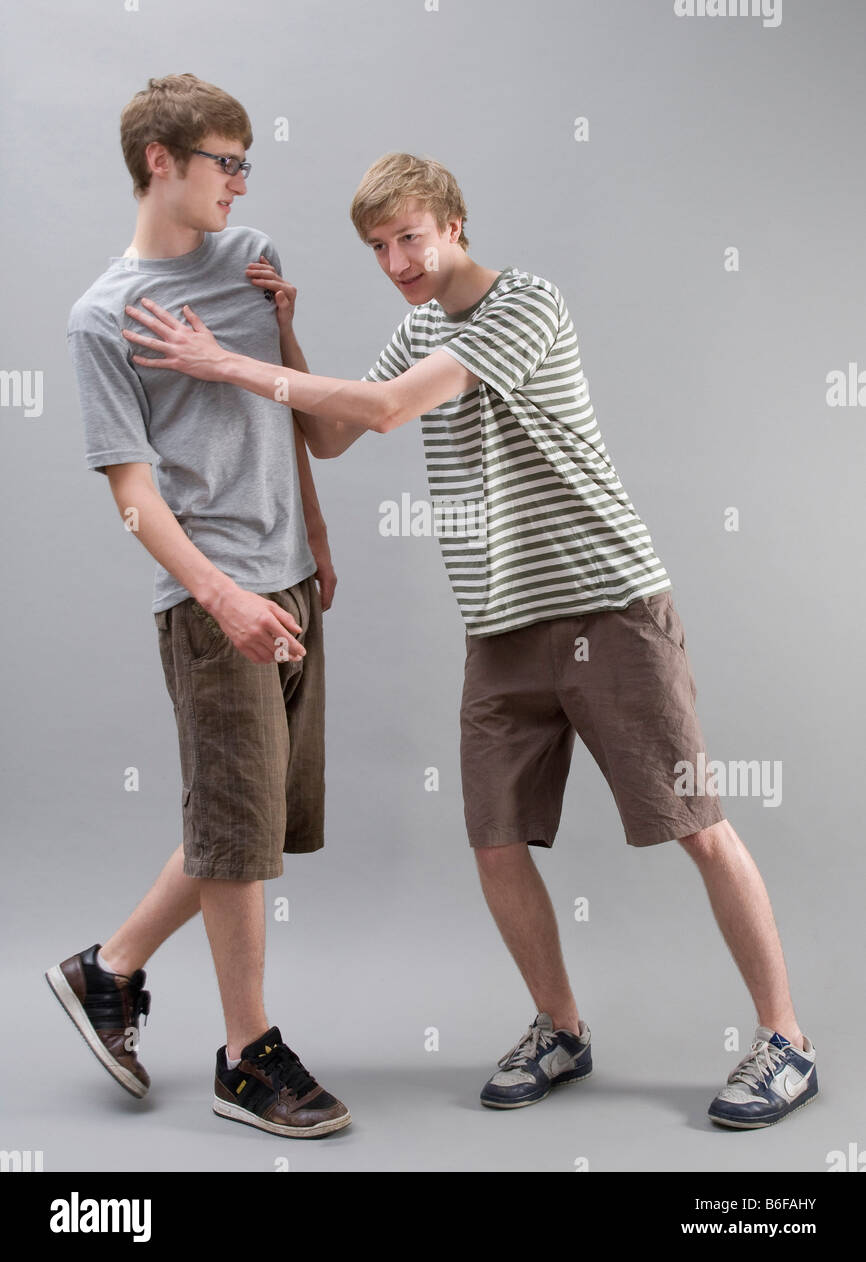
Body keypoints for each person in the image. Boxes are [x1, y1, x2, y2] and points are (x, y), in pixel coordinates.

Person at [121, 150, 818, 1130]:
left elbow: (388, 407)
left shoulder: (526, 302)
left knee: (696, 824)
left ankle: (785, 1040)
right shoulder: (414, 326)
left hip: (605, 608)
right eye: (377, 247)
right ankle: (560, 1027)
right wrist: (282, 326)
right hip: (497, 627)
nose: (398, 261)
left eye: (409, 236)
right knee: (495, 844)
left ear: (452, 224)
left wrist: (226, 360)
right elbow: (329, 435)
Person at [48, 73, 351, 1139]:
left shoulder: (249, 256)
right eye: (225, 160)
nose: (241, 180)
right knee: (235, 826)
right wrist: (221, 597)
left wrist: (310, 535)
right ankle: (245, 1055)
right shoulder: (102, 319)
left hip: (288, 580)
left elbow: (299, 420)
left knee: (247, 820)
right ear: (159, 162)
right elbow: (133, 494)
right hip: (211, 594)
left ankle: (108, 968)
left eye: (244, 162)